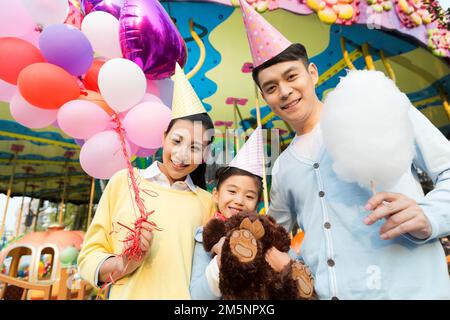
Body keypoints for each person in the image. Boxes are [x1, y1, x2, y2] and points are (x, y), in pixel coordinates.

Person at [238, 0, 450, 299]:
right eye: (271, 87)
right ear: (264, 97)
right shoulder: (285, 167)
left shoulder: (373, 106)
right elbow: (276, 237)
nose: (284, 91)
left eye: (291, 76)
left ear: (312, 73)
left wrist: (431, 216)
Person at [78, 64, 216, 299]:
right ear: (164, 137)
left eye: (195, 148)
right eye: (177, 141)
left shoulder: (207, 202)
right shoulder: (124, 182)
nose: (182, 155)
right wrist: (122, 264)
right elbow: (88, 258)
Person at [190, 127, 314, 299]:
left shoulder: (267, 234)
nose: (239, 200)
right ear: (216, 195)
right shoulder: (206, 236)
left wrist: (287, 265)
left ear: (257, 204)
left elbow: (299, 269)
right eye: (232, 192)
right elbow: (197, 296)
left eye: (249, 196)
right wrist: (222, 260)